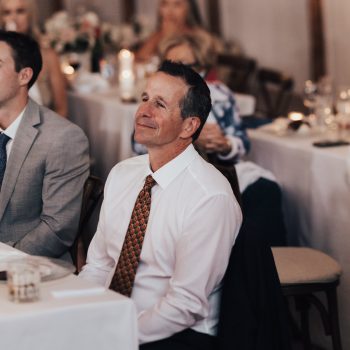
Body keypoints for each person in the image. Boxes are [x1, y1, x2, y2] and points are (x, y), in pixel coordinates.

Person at [80, 61, 242, 349]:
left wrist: (116, 334)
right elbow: (99, 265)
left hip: (178, 336)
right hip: (111, 320)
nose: (143, 111)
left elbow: (185, 305)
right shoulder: (122, 174)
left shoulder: (209, 198)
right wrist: (77, 315)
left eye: (160, 104)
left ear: (189, 125)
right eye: (144, 99)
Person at [151, 33, 287, 246]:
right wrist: (188, 140)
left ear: (202, 67)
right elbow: (140, 147)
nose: (176, 73)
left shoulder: (221, 96)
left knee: (265, 190)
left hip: (221, 167)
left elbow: (242, 141)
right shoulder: (155, 100)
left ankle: (261, 267)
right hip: (178, 173)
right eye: (170, 66)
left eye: (184, 66)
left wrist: (225, 144)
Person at [0, 30, 89, 259]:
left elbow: (57, 230)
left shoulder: (63, 138)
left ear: (24, 75)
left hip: (33, 271)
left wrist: (6, 261)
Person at [0, 0, 68, 117]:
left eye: (20, 11)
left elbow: (62, 108)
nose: (13, 18)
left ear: (30, 15)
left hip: (44, 129)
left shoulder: (48, 56)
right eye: (7, 12)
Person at [136, 0, 208, 62]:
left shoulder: (198, 36)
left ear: (188, 9)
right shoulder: (158, 34)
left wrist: (169, 37)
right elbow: (140, 58)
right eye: (165, 4)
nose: (170, 12)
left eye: (177, 4)